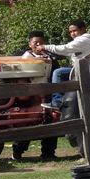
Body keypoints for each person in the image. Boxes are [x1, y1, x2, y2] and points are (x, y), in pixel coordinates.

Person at [13, 30, 58, 161]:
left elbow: (55, 75)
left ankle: (48, 153)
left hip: (47, 95)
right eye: (35, 43)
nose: (38, 46)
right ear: (29, 44)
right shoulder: (23, 57)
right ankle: (17, 152)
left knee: (50, 120)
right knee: (27, 122)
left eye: (41, 43)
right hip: (30, 97)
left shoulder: (51, 59)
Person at [41, 19, 90, 110]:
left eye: (75, 31)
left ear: (83, 29)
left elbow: (65, 49)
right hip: (88, 66)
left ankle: (57, 102)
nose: (73, 34)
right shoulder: (89, 39)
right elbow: (68, 53)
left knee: (58, 73)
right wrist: (49, 51)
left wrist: (45, 46)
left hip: (86, 68)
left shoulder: (83, 39)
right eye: (70, 32)